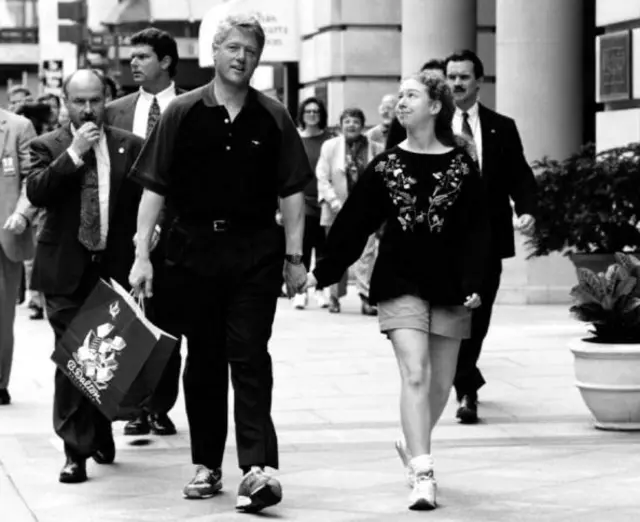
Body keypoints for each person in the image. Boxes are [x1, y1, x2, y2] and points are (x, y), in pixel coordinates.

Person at [127, 14, 311, 513]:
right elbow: (154, 189)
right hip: (192, 255)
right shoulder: (182, 112)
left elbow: (293, 192)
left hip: (255, 254)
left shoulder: (273, 116)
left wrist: (295, 259)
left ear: (258, 57)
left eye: (250, 50)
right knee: (205, 360)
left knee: (250, 355)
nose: (240, 57)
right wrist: (142, 254)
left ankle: (256, 468)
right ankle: (206, 465)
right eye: (232, 48)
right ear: (214, 51)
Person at [307, 71, 490, 510]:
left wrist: (475, 281)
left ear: (435, 106)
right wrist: (321, 271)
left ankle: (412, 438)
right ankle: (423, 473)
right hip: (400, 281)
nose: (403, 101)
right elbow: (354, 224)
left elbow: (477, 231)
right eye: (401, 95)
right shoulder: (386, 165)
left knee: (441, 384)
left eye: (413, 95)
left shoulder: (463, 165)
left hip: (450, 284)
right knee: (415, 373)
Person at [26, 69, 144, 484]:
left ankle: (100, 428)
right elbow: (38, 192)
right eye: (80, 101)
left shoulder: (131, 146)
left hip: (111, 269)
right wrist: (74, 153)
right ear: (65, 103)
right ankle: (75, 450)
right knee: (75, 358)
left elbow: (146, 201)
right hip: (64, 272)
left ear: (107, 100)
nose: (89, 109)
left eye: (96, 100)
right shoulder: (47, 146)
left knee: (104, 358)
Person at [445, 49, 537, 424]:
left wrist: (528, 208)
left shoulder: (502, 126)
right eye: (451, 77)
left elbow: (520, 175)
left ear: (479, 82)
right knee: (450, 315)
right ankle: (466, 385)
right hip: (443, 241)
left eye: (464, 77)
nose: (456, 84)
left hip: (489, 238)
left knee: (478, 316)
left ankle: (466, 380)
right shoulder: (431, 124)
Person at [106, 26, 183, 438]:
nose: (133, 63)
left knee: (169, 323)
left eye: (142, 56)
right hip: (123, 238)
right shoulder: (115, 110)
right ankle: (134, 404)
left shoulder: (191, 106)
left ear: (166, 61)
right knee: (129, 322)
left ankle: (160, 404)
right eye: (131, 57)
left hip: (176, 237)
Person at [316, 107, 383, 314]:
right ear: (341, 124)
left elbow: (380, 180)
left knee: (367, 253)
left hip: (366, 211)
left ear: (362, 126)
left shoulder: (375, 148)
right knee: (336, 252)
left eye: (356, 121)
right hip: (337, 208)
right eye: (347, 121)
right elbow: (322, 176)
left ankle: (365, 296)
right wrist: (335, 202)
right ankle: (334, 296)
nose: (351, 125)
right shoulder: (330, 146)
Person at [0, 106, 37, 405]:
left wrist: (23, 213)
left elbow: (31, 178)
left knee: (2, 315)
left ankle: (0, 382)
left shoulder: (18, 126)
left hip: (5, 233)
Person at [291, 96, 334, 310]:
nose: (312, 115)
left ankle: (320, 289)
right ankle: (301, 291)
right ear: (302, 115)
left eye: (316, 111)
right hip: (304, 200)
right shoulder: (296, 139)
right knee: (304, 246)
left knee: (324, 247)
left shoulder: (331, 139)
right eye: (308, 111)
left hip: (325, 200)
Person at [15, 101, 54, 320]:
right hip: (33, 208)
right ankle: (36, 299)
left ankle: (38, 299)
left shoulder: (44, 137)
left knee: (36, 256)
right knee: (32, 257)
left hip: (41, 206)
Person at [385, 59, 446, 150]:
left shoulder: (453, 118)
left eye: (436, 81)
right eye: (426, 80)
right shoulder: (401, 122)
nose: (432, 85)